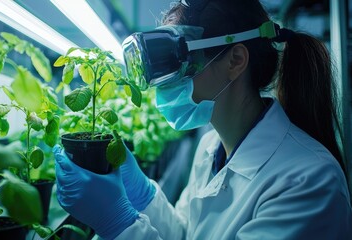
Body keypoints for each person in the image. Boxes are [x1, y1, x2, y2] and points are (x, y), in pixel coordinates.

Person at [54, 0, 352, 239]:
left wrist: (118, 223)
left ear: (235, 60)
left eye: (178, 61)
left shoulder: (308, 182)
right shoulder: (211, 146)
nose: (164, 84)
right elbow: (185, 233)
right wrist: (142, 194)